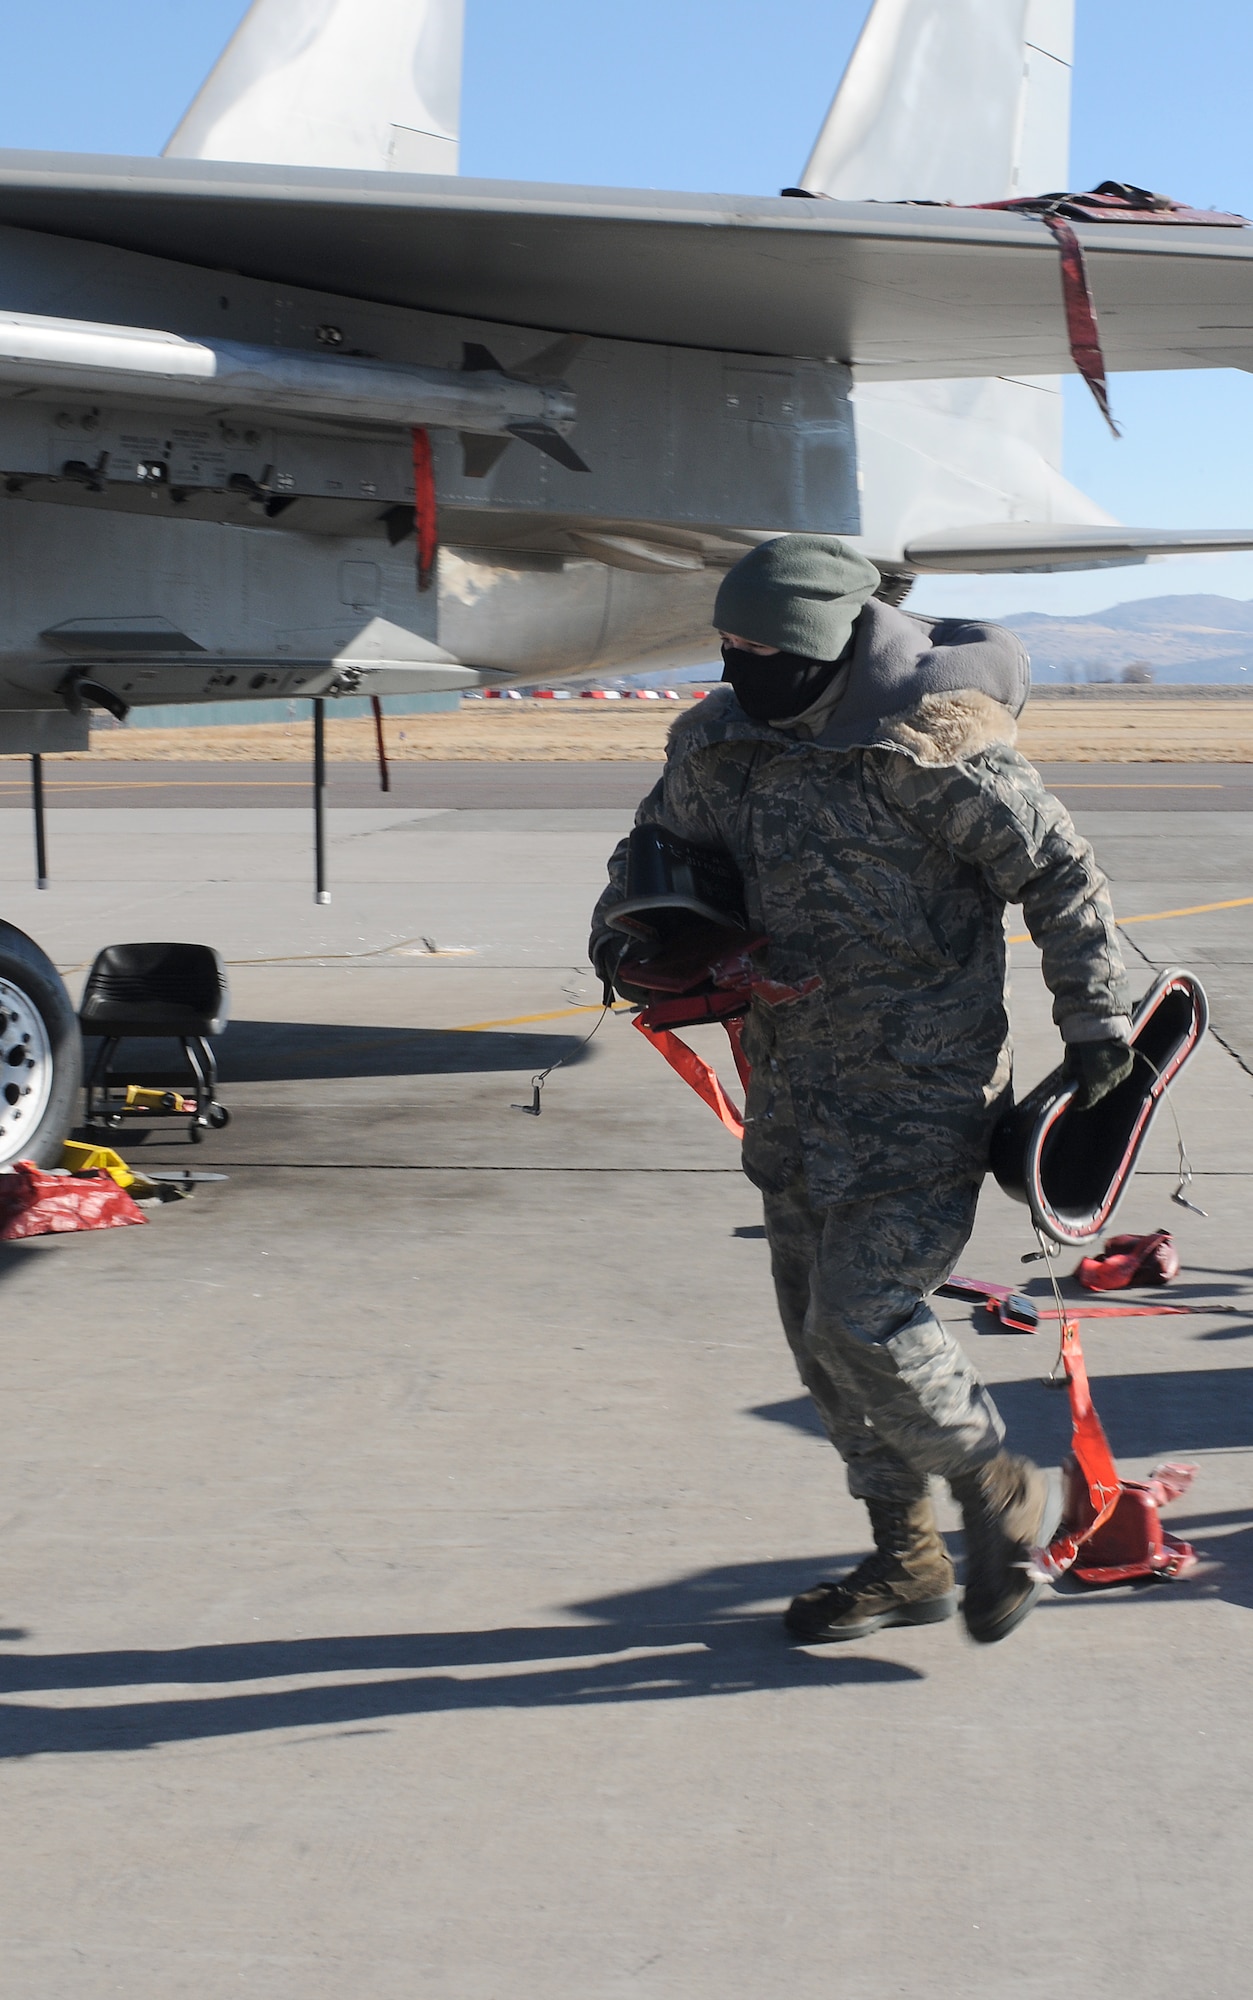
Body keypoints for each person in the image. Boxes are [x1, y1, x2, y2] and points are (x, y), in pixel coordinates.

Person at [590, 535, 1134, 1647]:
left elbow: (1060, 873)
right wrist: (643, 941)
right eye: (726, 643)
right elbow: (653, 853)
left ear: (830, 640)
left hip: (919, 1083)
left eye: (762, 645)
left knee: (864, 1312)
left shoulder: (933, 750)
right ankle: (906, 1557)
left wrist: (1091, 1018)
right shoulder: (720, 743)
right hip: (788, 1081)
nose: (739, 664)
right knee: (815, 1334)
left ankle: (995, 1486)